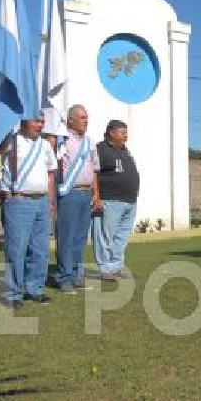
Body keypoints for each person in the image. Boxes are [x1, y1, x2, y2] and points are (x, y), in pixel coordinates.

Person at [0, 114, 58, 307]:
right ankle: (13, 293)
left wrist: (50, 200)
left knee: (40, 250)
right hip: (18, 200)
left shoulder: (45, 145)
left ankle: (34, 289)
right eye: (36, 121)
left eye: (42, 121)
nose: (40, 124)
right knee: (17, 250)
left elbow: (50, 174)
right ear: (24, 122)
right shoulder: (12, 140)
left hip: (41, 201)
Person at [53, 104, 102, 295]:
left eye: (87, 117)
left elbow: (95, 170)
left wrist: (96, 195)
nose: (86, 120)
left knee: (81, 238)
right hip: (69, 193)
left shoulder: (90, 143)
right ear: (70, 120)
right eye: (82, 117)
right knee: (67, 236)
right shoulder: (62, 140)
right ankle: (64, 277)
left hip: (86, 193)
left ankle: (75, 274)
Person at [92, 120, 139, 281]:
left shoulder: (125, 150)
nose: (126, 134)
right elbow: (94, 174)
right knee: (105, 237)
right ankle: (106, 269)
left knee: (121, 237)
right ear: (111, 132)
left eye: (126, 131)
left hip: (129, 201)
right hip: (109, 200)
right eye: (122, 131)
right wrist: (96, 198)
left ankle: (116, 267)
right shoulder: (101, 149)